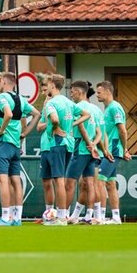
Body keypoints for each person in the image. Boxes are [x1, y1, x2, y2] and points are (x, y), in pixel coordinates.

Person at [0, 72, 40, 226]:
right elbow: (36, 114)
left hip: (3, 143)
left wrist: (1, 131)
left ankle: (5, 217)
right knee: (15, 180)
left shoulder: (2, 98)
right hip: (15, 146)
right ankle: (17, 218)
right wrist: (24, 134)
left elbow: (8, 114)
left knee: (2, 180)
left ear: (4, 82)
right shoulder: (20, 99)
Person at [42, 74, 90, 226]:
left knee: (58, 180)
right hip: (69, 143)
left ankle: (61, 217)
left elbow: (55, 119)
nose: (46, 86)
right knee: (61, 179)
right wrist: (71, 126)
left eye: (47, 84)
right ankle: (62, 216)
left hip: (58, 142)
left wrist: (56, 128)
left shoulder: (52, 103)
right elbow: (86, 115)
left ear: (52, 85)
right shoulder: (68, 102)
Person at [67, 82, 106, 225]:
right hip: (93, 150)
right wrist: (96, 146)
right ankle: (94, 216)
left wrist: (89, 143)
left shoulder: (77, 108)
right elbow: (100, 132)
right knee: (90, 183)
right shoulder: (96, 109)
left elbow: (82, 128)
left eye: (72, 91)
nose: (71, 94)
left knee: (69, 183)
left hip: (81, 148)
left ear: (79, 91)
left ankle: (62, 215)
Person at [95, 81, 132, 225]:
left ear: (107, 92)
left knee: (100, 182)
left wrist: (124, 149)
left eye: (99, 92)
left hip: (113, 151)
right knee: (110, 183)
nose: (97, 95)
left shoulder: (114, 108)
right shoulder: (109, 108)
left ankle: (102, 216)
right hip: (110, 150)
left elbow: (122, 130)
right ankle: (116, 217)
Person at [36, 76, 54, 224]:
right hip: (45, 148)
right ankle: (49, 213)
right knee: (46, 182)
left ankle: (61, 214)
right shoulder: (45, 106)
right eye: (42, 89)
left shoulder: (58, 104)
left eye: (45, 89)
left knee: (60, 182)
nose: (43, 92)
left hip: (57, 147)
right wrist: (47, 120)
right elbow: (39, 127)